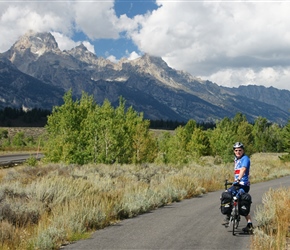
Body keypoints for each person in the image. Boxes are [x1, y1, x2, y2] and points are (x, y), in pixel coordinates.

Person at [223, 142, 254, 233]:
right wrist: (234, 181)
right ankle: (228, 216)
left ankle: (249, 224)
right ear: (234, 151)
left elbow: (243, 169)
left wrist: (239, 179)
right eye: (236, 150)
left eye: (240, 150)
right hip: (236, 184)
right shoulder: (236, 159)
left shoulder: (245, 159)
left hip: (243, 185)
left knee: (242, 202)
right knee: (227, 194)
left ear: (243, 150)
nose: (238, 152)